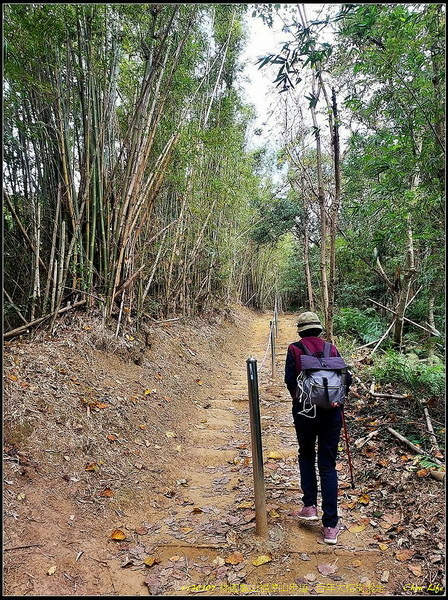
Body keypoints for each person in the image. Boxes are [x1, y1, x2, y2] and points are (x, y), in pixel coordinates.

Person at [284, 311, 352, 545]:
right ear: (319, 329)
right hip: (332, 413)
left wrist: (303, 399)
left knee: (306, 455)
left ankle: (310, 505)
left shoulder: (295, 349)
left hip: (304, 413)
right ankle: (331, 526)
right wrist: (334, 400)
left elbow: (290, 381)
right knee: (328, 465)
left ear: (301, 330)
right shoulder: (331, 349)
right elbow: (347, 379)